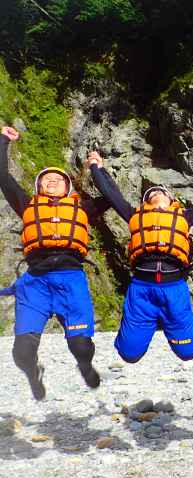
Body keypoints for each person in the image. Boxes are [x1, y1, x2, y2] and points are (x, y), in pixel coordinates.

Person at [0, 126, 109, 400]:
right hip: (35, 282)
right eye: (45, 178)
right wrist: (3, 140)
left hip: (71, 279)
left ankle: (85, 365)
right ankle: (33, 373)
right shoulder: (27, 205)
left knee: (82, 346)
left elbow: (111, 196)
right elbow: (2, 177)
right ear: (37, 187)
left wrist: (97, 168)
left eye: (57, 179)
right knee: (22, 352)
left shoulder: (82, 209)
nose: (51, 180)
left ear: (68, 188)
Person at [87, 151, 193, 362]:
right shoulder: (134, 214)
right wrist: (96, 167)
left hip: (174, 288)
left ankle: (168, 325)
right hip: (141, 290)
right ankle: (147, 327)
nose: (156, 194)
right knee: (129, 354)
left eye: (160, 192)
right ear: (145, 202)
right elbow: (110, 193)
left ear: (171, 199)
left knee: (188, 352)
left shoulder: (185, 216)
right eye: (150, 194)